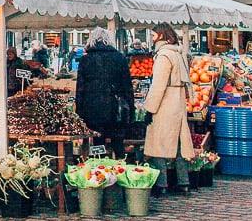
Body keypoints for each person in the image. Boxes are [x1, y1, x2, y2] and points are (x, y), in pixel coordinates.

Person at [143, 24, 196, 197]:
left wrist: (150, 109)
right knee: (179, 143)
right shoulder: (178, 53)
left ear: (160, 36)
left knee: (158, 142)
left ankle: (161, 183)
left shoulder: (164, 56)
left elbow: (158, 85)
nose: (151, 38)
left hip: (165, 103)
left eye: (153, 35)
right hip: (178, 102)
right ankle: (183, 182)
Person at [75, 27, 134, 158]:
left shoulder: (86, 60)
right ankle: (120, 169)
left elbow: (80, 89)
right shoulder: (120, 58)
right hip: (116, 111)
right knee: (118, 143)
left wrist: (79, 113)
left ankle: (99, 169)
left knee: (98, 142)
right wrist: (131, 110)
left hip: (93, 110)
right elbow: (127, 88)